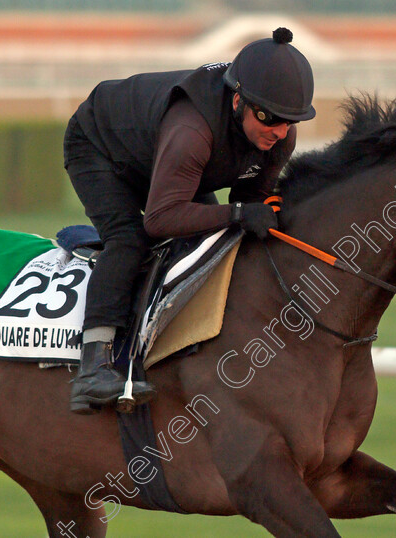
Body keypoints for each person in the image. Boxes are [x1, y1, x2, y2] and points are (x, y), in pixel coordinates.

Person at [63, 27, 316, 413]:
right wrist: (236, 214)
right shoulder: (191, 130)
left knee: (205, 242)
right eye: (270, 119)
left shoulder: (278, 136)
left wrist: (264, 211)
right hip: (100, 147)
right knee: (130, 240)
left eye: (290, 121)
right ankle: (93, 366)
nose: (279, 132)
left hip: (161, 153)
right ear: (238, 102)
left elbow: (251, 201)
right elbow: (161, 218)